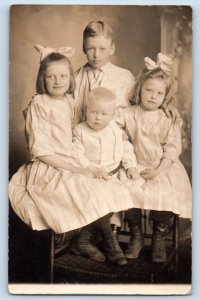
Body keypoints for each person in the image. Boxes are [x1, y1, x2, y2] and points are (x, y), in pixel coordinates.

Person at [8, 45, 135, 239]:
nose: (58, 81)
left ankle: (85, 241)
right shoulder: (39, 103)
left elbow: (82, 129)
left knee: (109, 187)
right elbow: (40, 151)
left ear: (70, 78)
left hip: (71, 161)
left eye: (63, 76)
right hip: (49, 166)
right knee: (87, 190)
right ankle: (102, 242)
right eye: (51, 77)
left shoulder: (69, 101)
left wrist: (114, 135)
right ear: (43, 79)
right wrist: (78, 169)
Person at [74, 20, 180, 231]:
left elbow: (146, 101)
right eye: (90, 48)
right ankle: (88, 232)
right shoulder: (76, 77)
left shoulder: (124, 77)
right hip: (87, 142)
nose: (96, 54)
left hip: (120, 145)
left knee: (123, 179)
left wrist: (169, 106)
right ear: (84, 48)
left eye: (102, 49)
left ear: (112, 48)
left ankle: (117, 231)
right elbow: (69, 110)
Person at [116, 53, 192, 263]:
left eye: (159, 92)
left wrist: (158, 170)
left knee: (166, 191)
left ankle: (159, 235)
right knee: (124, 187)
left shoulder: (167, 117)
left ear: (165, 96)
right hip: (136, 164)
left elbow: (172, 150)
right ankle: (137, 235)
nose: (152, 96)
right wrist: (130, 166)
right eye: (148, 90)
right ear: (140, 89)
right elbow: (116, 134)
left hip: (162, 167)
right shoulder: (128, 113)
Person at [71, 87, 139, 265]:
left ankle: (83, 240)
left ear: (112, 114)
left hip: (111, 176)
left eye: (103, 114)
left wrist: (130, 166)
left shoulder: (116, 131)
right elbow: (77, 155)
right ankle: (111, 243)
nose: (97, 117)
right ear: (86, 110)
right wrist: (91, 169)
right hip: (88, 177)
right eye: (93, 112)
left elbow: (125, 149)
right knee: (101, 200)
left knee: (124, 194)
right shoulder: (79, 131)